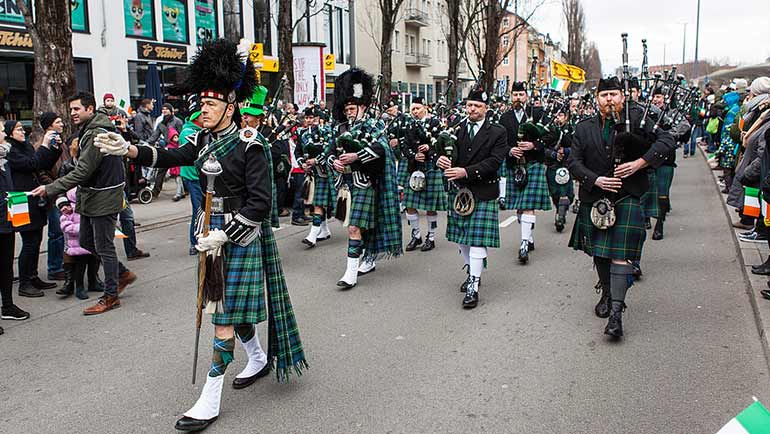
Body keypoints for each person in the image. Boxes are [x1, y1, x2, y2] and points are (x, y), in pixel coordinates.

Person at [92, 39, 307, 432]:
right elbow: (176, 156)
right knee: (224, 306)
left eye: (209, 104)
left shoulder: (251, 144)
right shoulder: (204, 139)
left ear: (230, 105)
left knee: (222, 317)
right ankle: (257, 357)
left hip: (238, 239)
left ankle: (209, 399)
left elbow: (260, 203)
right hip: (210, 232)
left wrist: (225, 235)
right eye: (200, 104)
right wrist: (131, 150)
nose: (201, 110)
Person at [567, 77, 675, 339]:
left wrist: (641, 162)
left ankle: (616, 313)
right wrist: (595, 179)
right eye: (604, 96)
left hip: (627, 194)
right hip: (596, 196)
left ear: (622, 97)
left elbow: (667, 141)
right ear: (597, 99)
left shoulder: (638, 119)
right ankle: (606, 292)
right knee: (600, 254)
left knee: (620, 254)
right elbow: (573, 161)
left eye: (614, 94)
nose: (609, 100)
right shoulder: (584, 128)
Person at [31, 92, 137, 315]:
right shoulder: (89, 130)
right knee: (88, 241)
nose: (72, 113)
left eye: (77, 109)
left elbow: (83, 170)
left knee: (104, 246)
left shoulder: (97, 132)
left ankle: (110, 296)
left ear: (90, 109)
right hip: (91, 197)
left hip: (104, 198)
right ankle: (122, 274)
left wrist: (50, 189)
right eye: (70, 110)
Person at [328, 68, 402, 288]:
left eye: (352, 108)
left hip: (364, 184)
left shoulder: (375, 125)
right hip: (346, 186)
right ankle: (368, 257)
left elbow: (381, 150)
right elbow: (329, 152)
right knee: (361, 227)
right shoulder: (341, 128)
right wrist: (335, 162)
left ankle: (350, 273)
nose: (349, 112)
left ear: (363, 106)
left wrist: (356, 156)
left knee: (354, 227)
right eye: (346, 109)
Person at [437, 88, 508, 309]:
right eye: (469, 105)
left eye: (477, 106)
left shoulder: (498, 132)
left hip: (483, 190)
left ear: (486, 108)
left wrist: (465, 172)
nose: (472, 109)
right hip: (460, 191)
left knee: (477, 240)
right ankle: (471, 271)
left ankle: (473, 286)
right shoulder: (456, 129)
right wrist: (440, 160)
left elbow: (494, 162)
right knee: (462, 239)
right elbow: (442, 152)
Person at [6, 120, 62, 297]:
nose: (23, 132)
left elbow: (40, 164)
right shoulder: (10, 150)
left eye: (23, 129)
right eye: (19, 129)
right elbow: (30, 164)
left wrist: (54, 149)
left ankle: (33, 276)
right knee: (29, 242)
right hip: (19, 200)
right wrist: (44, 144)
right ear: (9, 133)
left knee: (36, 239)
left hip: (33, 197)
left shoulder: (25, 146)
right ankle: (24, 283)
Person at [499, 82, 549, 264]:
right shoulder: (504, 118)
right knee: (520, 207)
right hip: (514, 164)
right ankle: (528, 237)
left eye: (521, 94)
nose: (518, 98)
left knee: (528, 205)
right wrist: (510, 150)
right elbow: (499, 142)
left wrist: (533, 145)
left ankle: (523, 244)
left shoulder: (537, 114)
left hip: (533, 163)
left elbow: (550, 138)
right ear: (511, 96)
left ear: (526, 96)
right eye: (515, 95)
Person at [402, 96, 446, 252]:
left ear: (425, 108)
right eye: (412, 109)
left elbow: (443, 143)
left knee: (430, 206)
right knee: (409, 205)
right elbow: (404, 145)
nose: (415, 111)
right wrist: (413, 155)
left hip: (430, 167)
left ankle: (431, 237)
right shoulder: (409, 125)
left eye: (417, 108)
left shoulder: (435, 123)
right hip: (414, 166)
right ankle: (416, 235)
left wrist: (429, 148)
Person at [0, 126, 30, 328]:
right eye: (1, 131)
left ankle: (8, 306)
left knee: (5, 266)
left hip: (6, 220)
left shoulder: (5, 158)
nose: (4, 134)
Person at [297, 106, 334, 247]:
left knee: (319, 203)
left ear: (318, 119)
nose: (309, 120)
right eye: (307, 118)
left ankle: (312, 235)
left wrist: (316, 161)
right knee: (315, 202)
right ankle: (324, 230)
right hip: (311, 173)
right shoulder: (302, 133)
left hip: (324, 172)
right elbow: (298, 152)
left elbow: (329, 149)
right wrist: (302, 164)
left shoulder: (326, 131)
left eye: (312, 117)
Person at [55, 190, 99, 300]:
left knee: (94, 262)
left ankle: (93, 282)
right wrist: (84, 228)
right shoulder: (70, 209)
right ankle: (78, 286)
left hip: (92, 241)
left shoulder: (91, 206)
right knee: (80, 266)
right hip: (78, 245)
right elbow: (66, 225)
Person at [39, 112, 66, 281]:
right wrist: (54, 187)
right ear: (49, 126)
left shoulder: (59, 142)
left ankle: (62, 264)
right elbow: (40, 170)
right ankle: (54, 267)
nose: (62, 124)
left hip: (62, 190)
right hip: (53, 193)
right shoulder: (43, 144)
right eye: (58, 122)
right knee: (56, 232)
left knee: (63, 230)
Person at [542, 106, 575, 232]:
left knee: (567, 194)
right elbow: (541, 147)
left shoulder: (571, 129)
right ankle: (560, 211)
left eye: (561, 115)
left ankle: (560, 216)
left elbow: (578, 147)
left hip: (566, 166)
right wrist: (554, 154)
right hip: (552, 166)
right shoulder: (547, 130)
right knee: (555, 193)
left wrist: (565, 151)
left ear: (566, 117)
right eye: (556, 115)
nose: (558, 118)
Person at [180, 95, 205, 256]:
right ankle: (194, 242)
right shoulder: (188, 132)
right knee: (198, 211)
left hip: (200, 178)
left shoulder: (200, 131)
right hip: (193, 177)